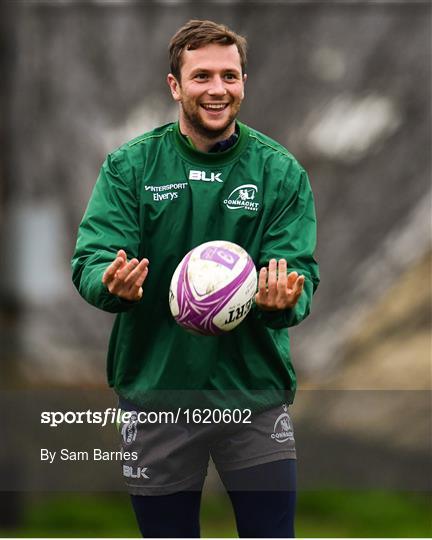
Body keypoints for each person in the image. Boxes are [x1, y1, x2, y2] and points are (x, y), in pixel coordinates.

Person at [72, 19, 319, 538]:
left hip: (251, 395)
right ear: (175, 86)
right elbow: (92, 258)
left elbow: (298, 272)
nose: (217, 89)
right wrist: (109, 282)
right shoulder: (131, 168)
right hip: (158, 393)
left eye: (229, 76)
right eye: (201, 76)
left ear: (244, 83)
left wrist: (280, 300)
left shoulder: (279, 172)